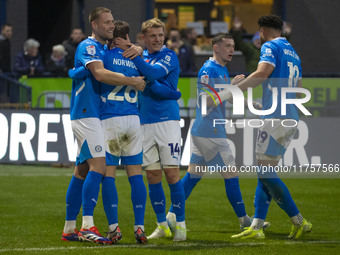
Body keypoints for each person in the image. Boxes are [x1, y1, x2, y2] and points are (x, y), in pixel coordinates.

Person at [61, 7, 145, 245]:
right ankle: (87, 226)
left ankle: (69, 228)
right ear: (94, 25)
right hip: (87, 114)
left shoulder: (102, 49)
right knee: (100, 166)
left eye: (112, 22)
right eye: (106, 22)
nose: (111, 26)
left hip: (92, 114)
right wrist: (132, 81)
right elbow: (98, 73)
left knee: (82, 170)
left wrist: (138, 48)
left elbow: (83, 71)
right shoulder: (89, 46)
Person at [166, 33, 266, 232]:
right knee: (231, 174)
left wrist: (248, 103)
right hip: (209, 131)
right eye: (227, 46)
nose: (231, 50)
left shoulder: (221, 69)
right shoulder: (208, 70)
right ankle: (245, 221)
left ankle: (170, 216)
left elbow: (226, 98)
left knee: (193, 175)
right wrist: (230, 88)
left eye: (233, 46)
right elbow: (206, 102)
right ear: (216, 48)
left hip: (205, 129)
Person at [230, 15, 312, 239]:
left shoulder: (270, 45)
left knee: (265, 172)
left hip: (275, 116)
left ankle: (298, 220)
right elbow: (298, 89)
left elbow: (262, 73)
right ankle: (256, 226)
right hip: (290, 116)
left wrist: (236, 89)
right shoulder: (293, 53)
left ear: (263, 30)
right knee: (265, 173)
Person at [116, 18, 187, 242]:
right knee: (153, 175)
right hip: (144, 122)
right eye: (153, 36)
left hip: (168, 122)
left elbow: (153, 75)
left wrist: (148, 79)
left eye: (160, 35)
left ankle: (182, 225)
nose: (157, 39)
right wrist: (169, 91)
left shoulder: (169, 56)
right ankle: (162, 224)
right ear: (144, 38)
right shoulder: (141, 57)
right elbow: (156, 84)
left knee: (172, 174)